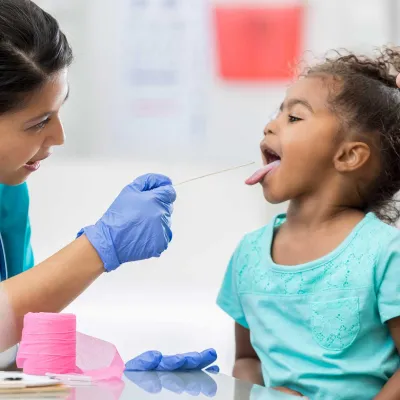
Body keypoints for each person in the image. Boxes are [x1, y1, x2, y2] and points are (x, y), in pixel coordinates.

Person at [217, 48, 400, 400]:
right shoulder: (249, 255)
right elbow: (245, 359)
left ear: (348, 156)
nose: (270, 125)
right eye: (277, 113)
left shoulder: (385, 254)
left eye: (295, 118)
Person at [0, 0, 176, 353]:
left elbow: (18, 329)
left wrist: (105, 374)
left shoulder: (9, 188)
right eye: (38, 123)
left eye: (59, 108)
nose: (59, 137)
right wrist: (100, 246)